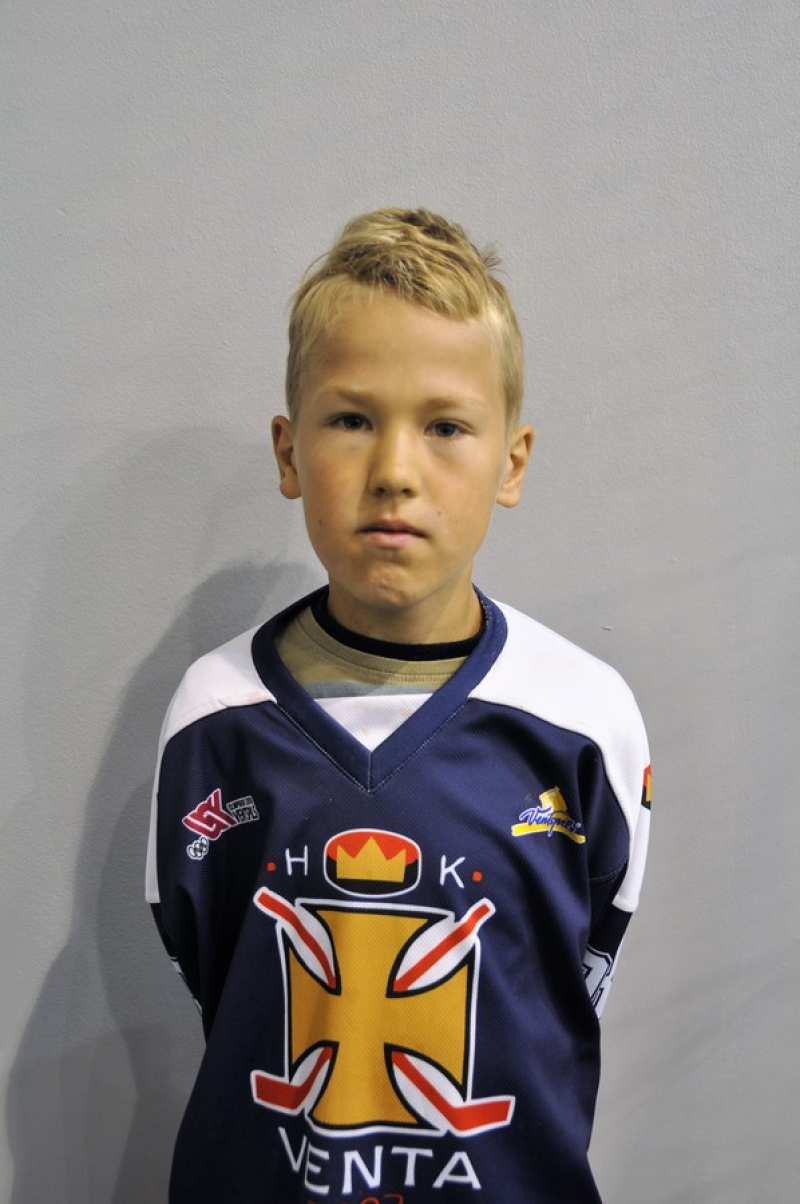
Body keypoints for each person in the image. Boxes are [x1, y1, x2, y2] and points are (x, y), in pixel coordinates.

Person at [146, 208, 651, 1203]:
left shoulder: (584, 718)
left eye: (445, 426)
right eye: (351, 420)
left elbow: (579, 965)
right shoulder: (216, 716)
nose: (394, 473)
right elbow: (206, 965)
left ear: (511, 462)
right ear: (288, 453)